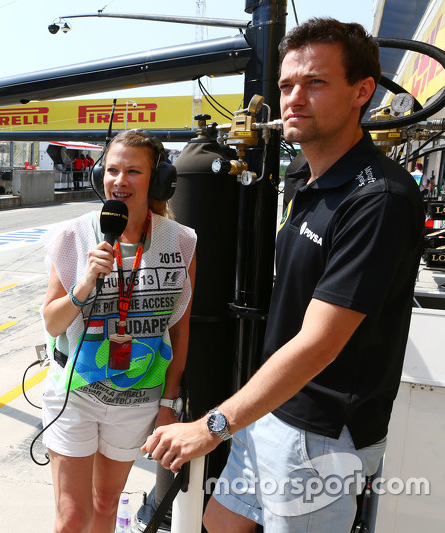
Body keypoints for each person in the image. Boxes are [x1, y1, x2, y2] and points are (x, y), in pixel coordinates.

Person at [142, 18, 424, 532]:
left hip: (322, 432)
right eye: (288, 85)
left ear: (362, 92)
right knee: (221, 523)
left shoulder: (378, 198)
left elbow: (320, 343)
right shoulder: (304, 176)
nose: (295, 97)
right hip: (272, 404)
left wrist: (214, 424)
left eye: (315, 83)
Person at [40, 130, 197, 532]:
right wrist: (85, 282)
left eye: (133, 171)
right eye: (112, 170)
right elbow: (53, 321)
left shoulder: (180, 242)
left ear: (157, 179)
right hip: (75, 392)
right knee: (72, 517)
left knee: (106, 503)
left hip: (139, 397)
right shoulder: (74, 236)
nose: (120, 181)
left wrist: (170, 403)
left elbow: (179, 331)